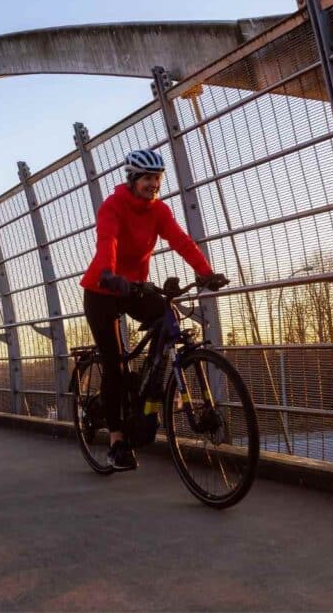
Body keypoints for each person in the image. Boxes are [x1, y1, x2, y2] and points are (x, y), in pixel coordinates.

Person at [81, 149, 227, 471]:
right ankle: (117, 441)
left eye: (157, 178)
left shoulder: (159, 211)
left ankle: (154, 385)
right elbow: (108, 241)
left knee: (168, 318)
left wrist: (205, 272)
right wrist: (109, 273)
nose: (153, 184)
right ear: (133, 179)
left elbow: (181, 240)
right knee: (115, 366)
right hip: (103, 288)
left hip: (134, 288)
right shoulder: (113, 206)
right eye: (147, 178)